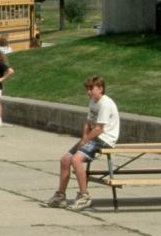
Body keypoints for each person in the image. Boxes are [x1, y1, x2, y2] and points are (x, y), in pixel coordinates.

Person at [45, 75, 120, 212]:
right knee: (65, 160)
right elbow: (88, 123)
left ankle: (84, 196)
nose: (88, 92)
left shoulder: (105, 103)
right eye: (87, 89)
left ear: (101, 88)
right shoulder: (93, 101)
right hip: (94, 137)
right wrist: (83, 138)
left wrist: (85, 141)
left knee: (76, 160)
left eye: (91, 89)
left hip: (105, 138)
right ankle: (60, 196)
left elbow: (99, 128)